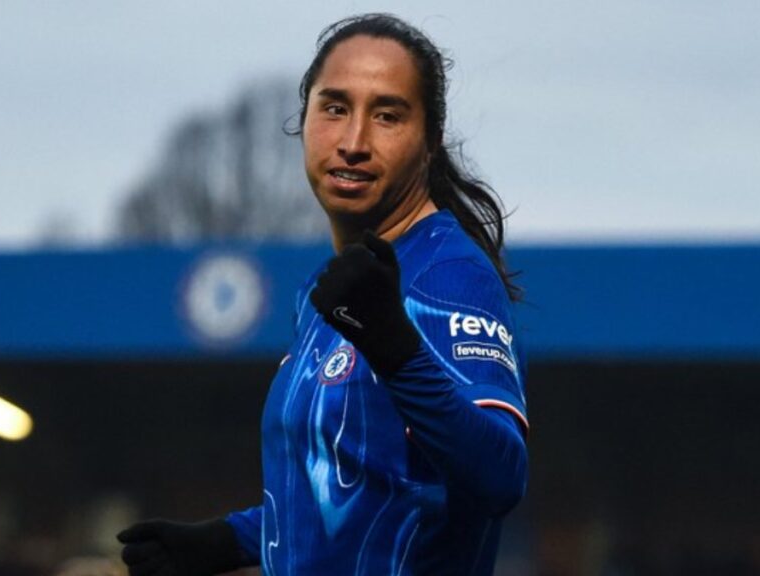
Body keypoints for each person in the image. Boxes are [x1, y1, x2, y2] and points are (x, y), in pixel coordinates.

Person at [118, 13, 528, 575]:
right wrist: (226, 540)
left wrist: (396, 349)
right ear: (303, 119)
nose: (354, 142)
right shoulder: (328, 288)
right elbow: (356, 486)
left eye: (387, 115)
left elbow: (500, 477)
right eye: (335, 108)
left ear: (430, 141)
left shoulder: (445, 273)